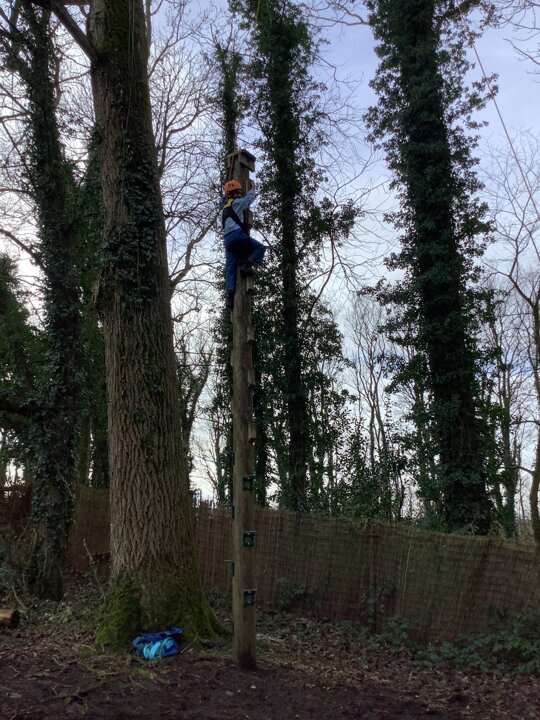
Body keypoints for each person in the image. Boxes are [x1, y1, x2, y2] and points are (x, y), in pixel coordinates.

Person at [222, 179, 266, 309]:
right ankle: (246, 264)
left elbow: (222, 199)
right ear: (232, 194)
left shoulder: (224, 206)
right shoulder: (238, 203)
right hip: (237, 235)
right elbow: (248, 200)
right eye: (237, 192)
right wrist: (253, 189)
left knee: (230, 268)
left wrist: (225, 195)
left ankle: (229, 296)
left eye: (240, 193)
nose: (239, 194)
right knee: (260, 247)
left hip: (227, 241)